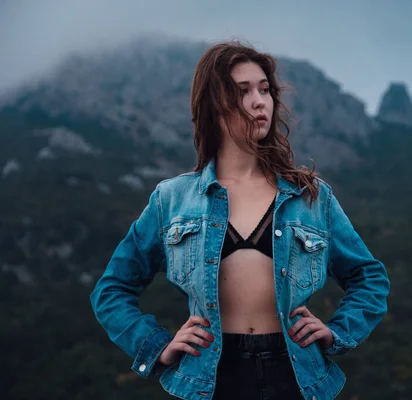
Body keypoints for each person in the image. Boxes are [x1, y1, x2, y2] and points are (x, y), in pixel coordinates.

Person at [90, 40, 390, 400]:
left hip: (295, 376)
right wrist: (158, 346)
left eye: (264, 89)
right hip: (211, 377)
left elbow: (369, 277)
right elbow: (111, 291)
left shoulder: (312, 197)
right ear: (214, 103)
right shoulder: (171, 199)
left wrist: (337, 332)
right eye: (243, 91)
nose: (259, 100)